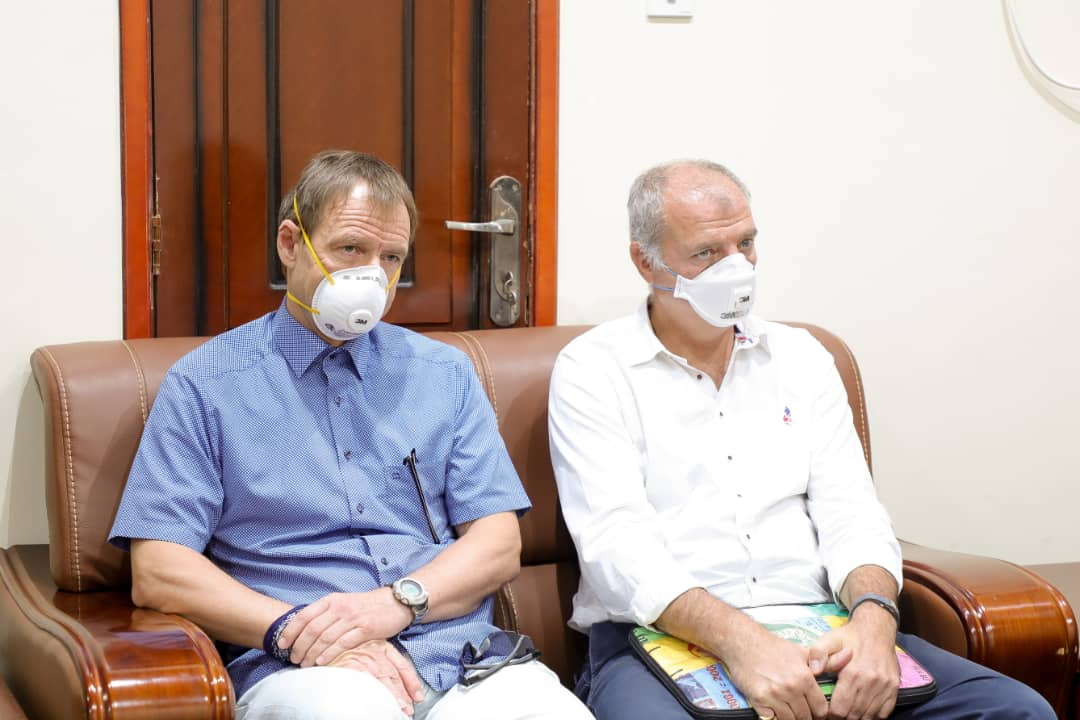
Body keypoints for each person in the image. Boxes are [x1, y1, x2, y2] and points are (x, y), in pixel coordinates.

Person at [547, 158, 1054, 720]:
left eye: (745, 243)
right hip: (655, 636)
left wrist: (874, 624)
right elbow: (618, 547)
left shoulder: (802, 357)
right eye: (706, 253)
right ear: (646, 261)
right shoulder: (593, 369)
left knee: (1015, 710)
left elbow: (852, 513)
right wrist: (746, 645)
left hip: (820, 625)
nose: (736, 267)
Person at [109, 150, 593, 720]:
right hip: (303, 666)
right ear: (290, 244)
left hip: (460, 658)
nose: (372, 277)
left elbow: (498, 542)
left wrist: (396, 604)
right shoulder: (204, 384)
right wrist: (297, 631)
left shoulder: (443, 374)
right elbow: (160, 570)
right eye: (350, 249)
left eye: (391, 257)